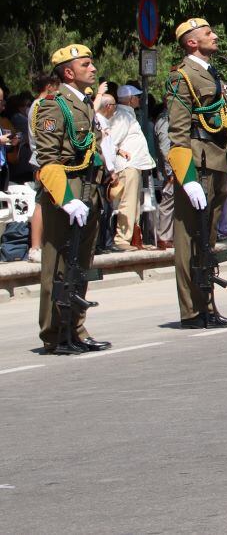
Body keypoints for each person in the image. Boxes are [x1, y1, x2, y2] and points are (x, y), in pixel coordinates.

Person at [32, 43, 110, 354]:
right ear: (68, 72)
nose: (93, 69)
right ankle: (54, 333)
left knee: (80, 262)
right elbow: (48, 159)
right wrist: (67, 198)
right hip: (68, 189)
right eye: (86, 65)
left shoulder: (84, 103)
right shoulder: (53, 105)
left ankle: (76, 327)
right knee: (59, 262)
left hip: (89, 189)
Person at [163, 18, 227, 329]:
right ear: (192, 42)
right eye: (208, 33)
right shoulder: (182, 76)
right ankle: (192, 310)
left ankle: (208, 303)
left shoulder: (210, 72)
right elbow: (178, 131)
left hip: (218, 159)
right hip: (199, 161)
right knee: (190, 238)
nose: (215, 36)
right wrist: (187, 176)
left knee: (206, 238)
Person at [102, 84, 153, 251]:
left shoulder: (128, 114)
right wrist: (118, 154)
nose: (139, 99)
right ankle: (122, 239)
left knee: (134, 204)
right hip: (127, 166)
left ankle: (133, 238)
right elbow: (111, 141)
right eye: (137, 96)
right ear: (131, 99)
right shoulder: (122, 115)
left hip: (134, 165)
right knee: (128, 203)